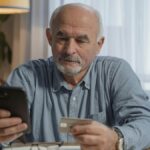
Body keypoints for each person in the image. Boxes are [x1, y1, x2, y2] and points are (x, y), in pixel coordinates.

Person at [0, 3, 150, 150]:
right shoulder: (27, 76)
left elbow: (145, 123)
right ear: (49, 37)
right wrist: (3, 136)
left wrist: (116, 138)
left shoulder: (116, 72)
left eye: (81, 40)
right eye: (62, 38)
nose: (70, 50)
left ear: (99, 44)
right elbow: (7, 135)